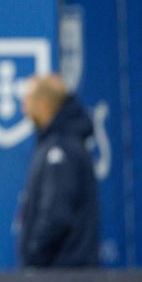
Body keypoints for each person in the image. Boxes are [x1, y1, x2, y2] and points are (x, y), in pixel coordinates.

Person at [19, 75, 99, 267]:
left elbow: (57, 214)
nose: (24, 108)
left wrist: (34, 256)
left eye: (27, 101)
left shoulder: (61, 148)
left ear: (44, 103)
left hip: (64, 274)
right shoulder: (55, 143)